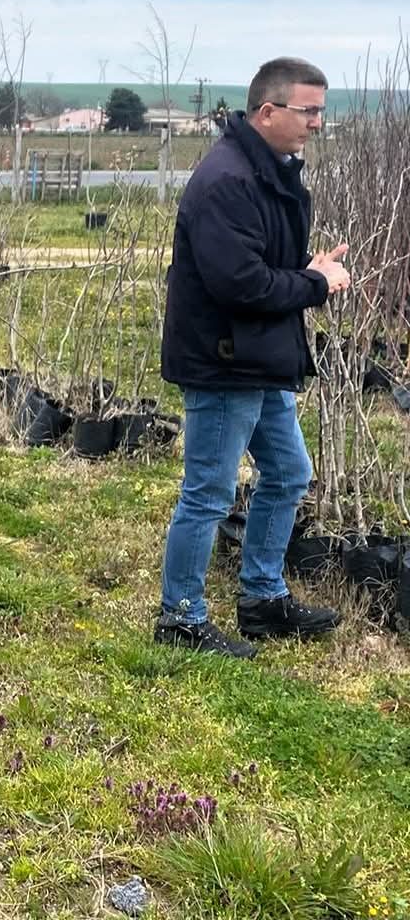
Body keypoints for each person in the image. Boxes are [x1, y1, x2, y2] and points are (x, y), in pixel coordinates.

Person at [156, 57, 351, 657]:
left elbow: (265, 268)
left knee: (290, 472)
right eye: (308, 110)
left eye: (321, 110)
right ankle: (181, 618)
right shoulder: (228, 181)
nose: (318, 122)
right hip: (224, 362)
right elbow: (241, 284)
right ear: (268, 111)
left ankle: (262, 600)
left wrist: (306, 271)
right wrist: (316, 284)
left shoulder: (270, 173)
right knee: (208, 492)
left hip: (260, 357)